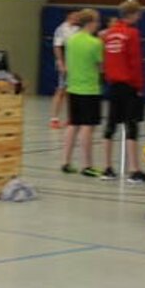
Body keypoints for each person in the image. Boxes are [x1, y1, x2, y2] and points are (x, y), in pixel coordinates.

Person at [101, 1, 145, 183]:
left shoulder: (110, 33)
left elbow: (107, 60)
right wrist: (140, 87)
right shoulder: (132, 33)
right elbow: (135, 63)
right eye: (139, 13)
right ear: (133, 14)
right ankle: (134, 170)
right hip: (129, 85)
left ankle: (107, 168)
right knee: (131, 126)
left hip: (113, 85)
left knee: (111, 126)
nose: (140, 16)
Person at [62, 9, 104, 177]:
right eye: (97, 21)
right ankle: (87, 165)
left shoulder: (71, 40)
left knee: (73, 125)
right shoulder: (95, 43)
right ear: (90, 23)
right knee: (87, 127)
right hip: (89, 89)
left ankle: (66, 161)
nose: (98, 24)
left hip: (73, 87)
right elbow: (100, 65)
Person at [49, 10, 81, 129]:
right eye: (76, 15)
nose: (78, 18)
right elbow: (57, 47)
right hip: (66, 63)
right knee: (61, 90)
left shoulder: (79, 29)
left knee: (71, 91)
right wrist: (61, 63)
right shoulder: (61, 29)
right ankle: (54, 118)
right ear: (69, 16)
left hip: (77, 64)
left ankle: (71, 117)